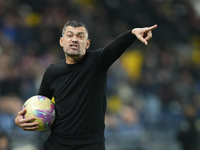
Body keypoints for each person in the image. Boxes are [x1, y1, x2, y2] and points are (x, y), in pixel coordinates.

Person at [15, 20, 157, 150]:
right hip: (57, 144)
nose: (74, 39)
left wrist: (132, 33)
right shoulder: (52, 72)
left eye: (80, 36)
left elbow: (114, 47)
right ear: (61, 41)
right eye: (70, 35)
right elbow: (40, 105)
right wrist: (22, 120)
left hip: (90, 145)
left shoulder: (97, 62)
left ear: (87, 43)